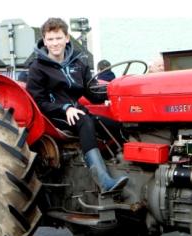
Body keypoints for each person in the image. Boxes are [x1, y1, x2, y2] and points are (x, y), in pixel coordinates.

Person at [26, 17, 128, 194]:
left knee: (118, 126)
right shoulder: (38, 68)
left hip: (78, 113)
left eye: (58, 38)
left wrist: (116, 91)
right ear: (44, 41)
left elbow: (93, 94)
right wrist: (65, 108)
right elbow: (38, 101)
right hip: (52, 116)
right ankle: (103, 181)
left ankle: (127, 167)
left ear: (67, 38)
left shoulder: (79, 64)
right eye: (50, 39)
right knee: (85, 121)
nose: (55, 43)